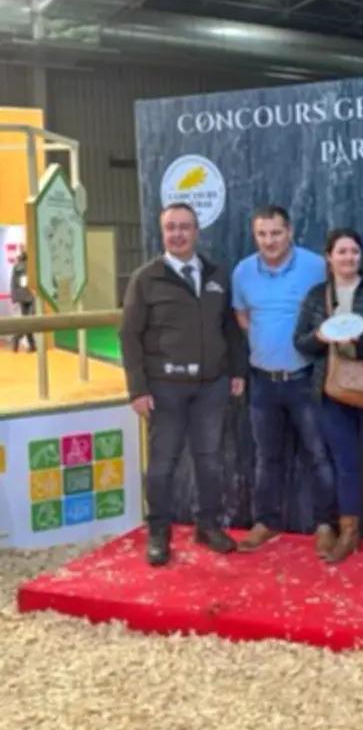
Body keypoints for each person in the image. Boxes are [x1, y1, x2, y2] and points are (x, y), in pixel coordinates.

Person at [120, 202, 246, 566]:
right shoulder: (146, 278)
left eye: (184, 227)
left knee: (209, 460)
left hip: (212, 386)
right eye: (171, 227)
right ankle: (159, 532)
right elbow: (129, 335)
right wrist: (138, 389)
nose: (177, 234)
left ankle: (207, 525)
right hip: (164, 388)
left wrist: (236, 371)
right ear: (163, 233)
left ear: (196, 231)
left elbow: (229, 328)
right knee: (162, 464)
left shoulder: (217, 273)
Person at [232, 205, 338, 557]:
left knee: (318, 455)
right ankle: (266, 523)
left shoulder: (314, 266)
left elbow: (332, 308)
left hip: (305, 379)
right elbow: (242, 315)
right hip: (263, 382)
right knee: (266, 457)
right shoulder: (243, 272)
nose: (269, 241)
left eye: (276, 233)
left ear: (290, 231)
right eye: (262, 234)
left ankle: (326, 525)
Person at [294, 228, 363, 565]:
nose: (348, 258)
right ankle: (349, 533)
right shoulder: (316, 297)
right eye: (341, 252)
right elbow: (300, 343)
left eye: (354, 252)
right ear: (329, 257)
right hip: (331, 391)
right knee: (345, 465)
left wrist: (362, 333)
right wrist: (320, 335)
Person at [10, 244, 36, 353]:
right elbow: (14, 282)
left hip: (25, 296)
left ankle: (29, 344)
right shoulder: (27, 266)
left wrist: (14, 297)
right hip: (29, 296)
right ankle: (17, 338)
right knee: (28, 321)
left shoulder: (17, 266)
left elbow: (12, 283)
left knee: (27, 321)